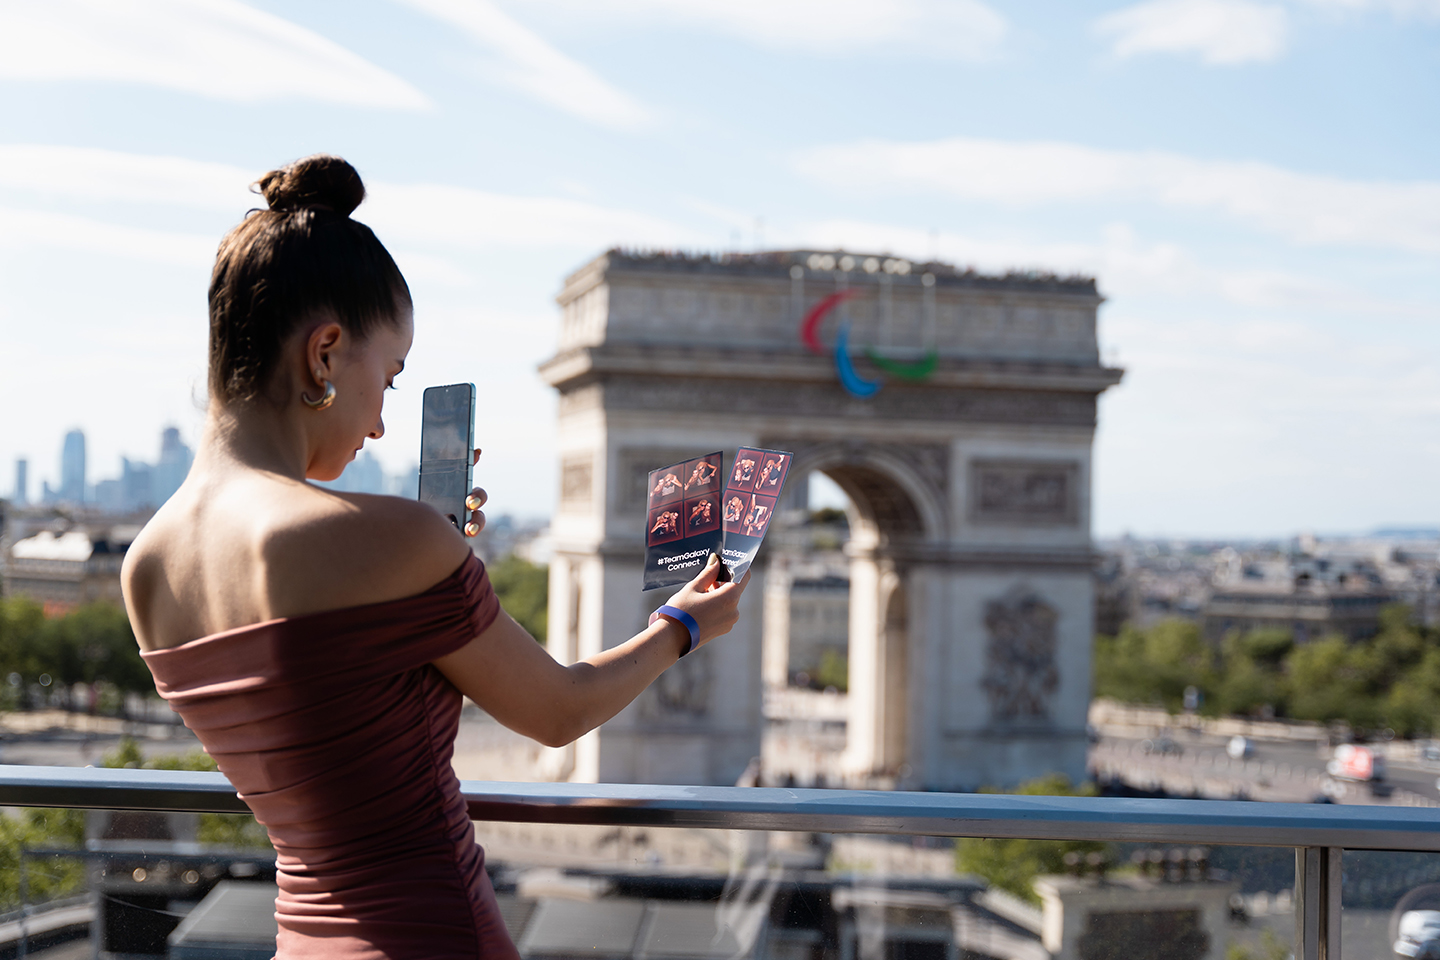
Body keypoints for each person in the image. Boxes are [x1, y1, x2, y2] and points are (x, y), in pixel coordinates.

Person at [120, 154, 747, 960]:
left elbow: (326, 715)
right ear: (324, 353)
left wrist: (429, 572)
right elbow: (557, 713)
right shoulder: (396, 537)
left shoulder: (147, 565)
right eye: (388, 376)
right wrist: (681, 627)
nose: (381, 423)